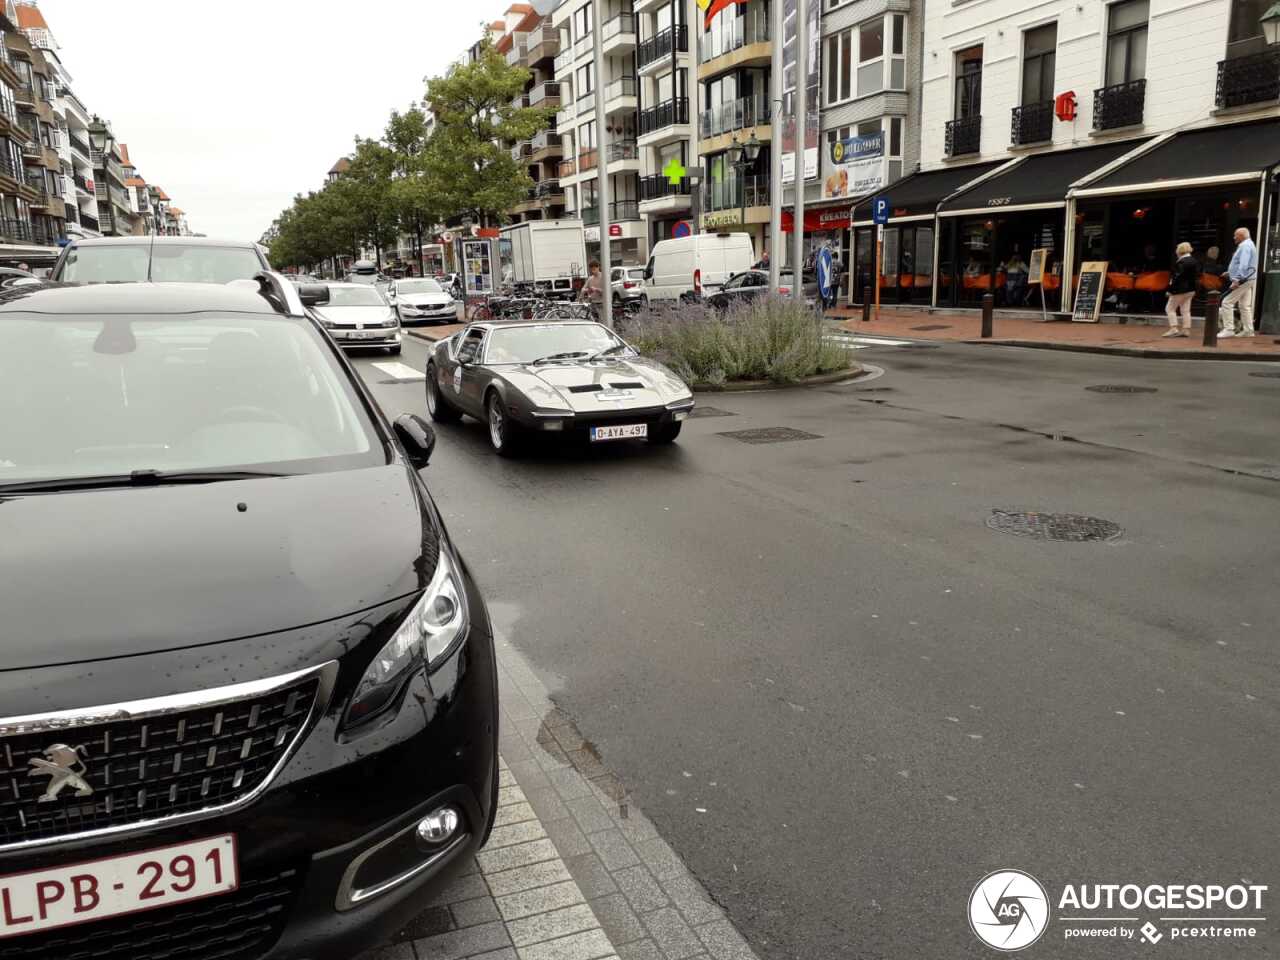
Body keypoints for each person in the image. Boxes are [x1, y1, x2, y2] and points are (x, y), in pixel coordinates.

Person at [1220, 227, 1257, 338]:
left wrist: (1236, 279)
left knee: (1226, 302)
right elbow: (1243, 264)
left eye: (1236, 235)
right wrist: (1230, 272)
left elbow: (1244, 264)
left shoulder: (1245, 246)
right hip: (1249, 279)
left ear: (1241, 236)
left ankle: (1229, 330)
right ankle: (1248, 331)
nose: (1234, 237)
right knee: (1244, 306)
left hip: (1243, 280)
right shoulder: (1249, 244)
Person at [1163, 242, 1200, 338]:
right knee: (1185, 310)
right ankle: (1186, 330)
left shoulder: (1181, 262)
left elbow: (1176, 278)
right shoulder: (1195, 261)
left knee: (1169, 308)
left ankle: (1173, 328)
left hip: (1179, 289)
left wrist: (1170, 290)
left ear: (1179, 251)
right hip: (1191, 289)